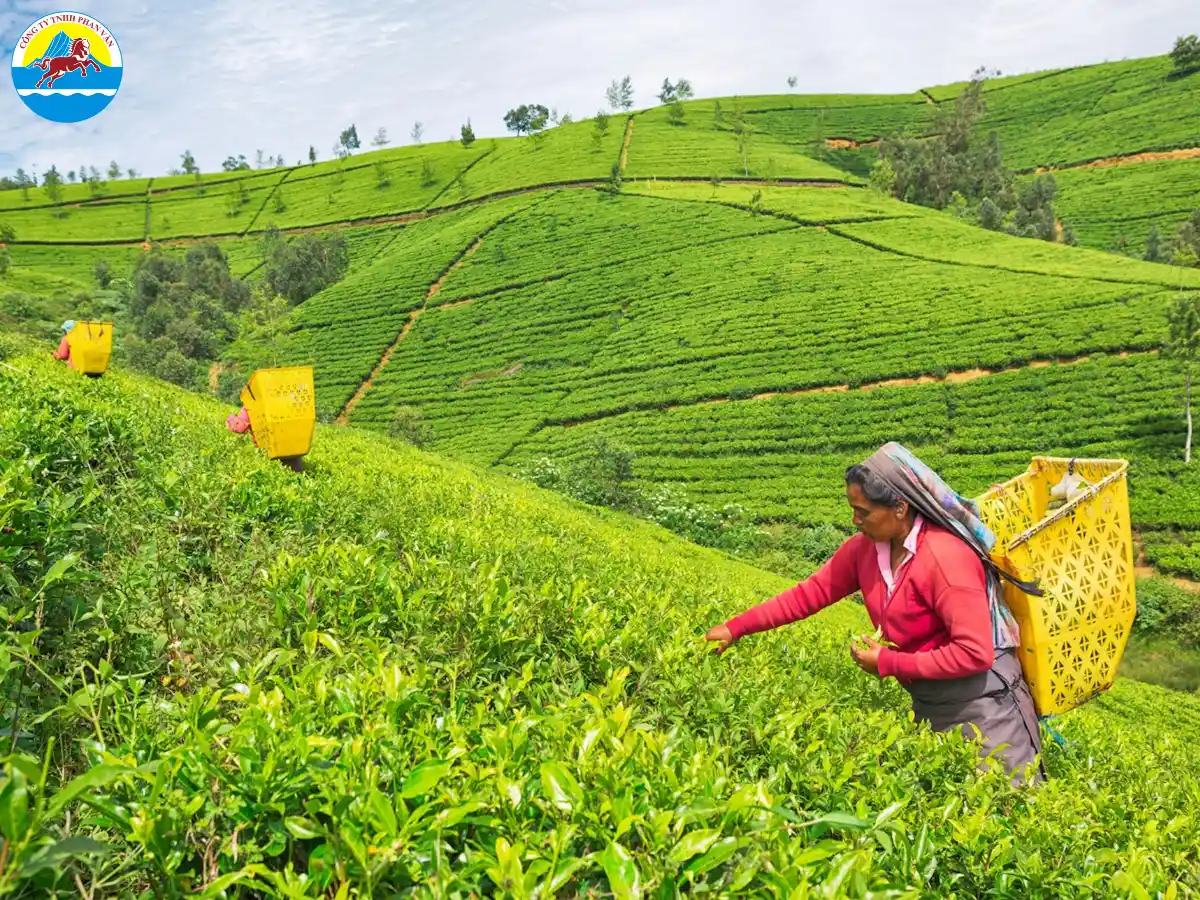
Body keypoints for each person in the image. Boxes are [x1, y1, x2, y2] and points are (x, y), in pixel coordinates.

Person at [705, 441, 1045, 786]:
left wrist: (888, 663)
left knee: (1004, 805)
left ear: (899, 507)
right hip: (930, 700)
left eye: (863, 511)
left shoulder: (945, 559)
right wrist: (736, 628)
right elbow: (809, 595)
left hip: (986, 707)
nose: (855, 521)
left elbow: (974, 653)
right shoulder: (865, 551)